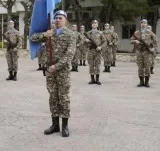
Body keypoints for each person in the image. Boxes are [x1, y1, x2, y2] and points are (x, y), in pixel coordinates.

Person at [30, 10, 75, 138]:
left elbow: (69, 54)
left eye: (60, 18)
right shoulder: (50, 32)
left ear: (65, 20)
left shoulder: (70, 34)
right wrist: (45, 34)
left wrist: (57, 66)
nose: (57, 20)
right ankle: (55, 125)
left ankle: (65, 126)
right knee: (53, 97)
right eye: (56, 18)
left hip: (62, 71)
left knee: (64, 97)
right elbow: (32, 38)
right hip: (50, 71)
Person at [130, 19, 157, 87]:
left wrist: (153, 49)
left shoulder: (150, 32)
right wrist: (135, 41)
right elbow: (131, 40)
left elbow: (155, 41)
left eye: (145, 23)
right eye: (142, 23)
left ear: (147, 24)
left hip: (147, 52)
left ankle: (147, 82)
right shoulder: (136, 33)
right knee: (140, 67)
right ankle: (141, 82)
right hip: (139, 52)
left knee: (147, 67)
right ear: (140, 24)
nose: (143, 24)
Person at [85, 20, 107, 85]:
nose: (94, 24)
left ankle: (97, 79)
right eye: (93, 23)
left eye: (96, 23)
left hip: (97, 51)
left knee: (97, 65)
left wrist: (100, 47)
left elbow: (105, 42)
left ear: (97, 25)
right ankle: (92, 79)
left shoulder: (100, 33)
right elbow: (84, 43)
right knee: (91, 65)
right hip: (90, 51)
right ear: (91, 25)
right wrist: (86, 41)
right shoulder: (88, 33)